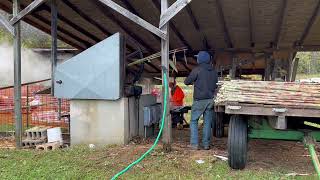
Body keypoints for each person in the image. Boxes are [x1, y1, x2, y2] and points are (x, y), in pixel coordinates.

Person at [184, 51, 218, 150]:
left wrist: (194, 81)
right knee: (207, 122)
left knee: (194, 121)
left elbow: (186, 81)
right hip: (210, 100)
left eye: (198, 58)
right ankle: (206, 144)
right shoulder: (214, 71)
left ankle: (194, 144)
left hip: (199, 100)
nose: (197, 59)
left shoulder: (197, 70)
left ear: (201, 59)